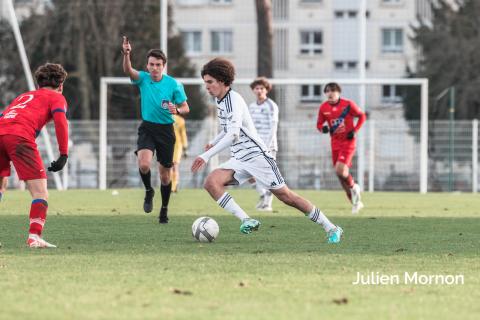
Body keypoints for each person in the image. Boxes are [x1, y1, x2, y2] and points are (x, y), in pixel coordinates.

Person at [191, 58, 343, 243]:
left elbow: (233, 135)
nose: (206, 87)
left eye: (210, 82)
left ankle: (332, 227)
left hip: (257, 156)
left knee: (286, 197)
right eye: (205, 82)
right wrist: (213, 142)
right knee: (211, 182)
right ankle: (247, 219)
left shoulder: (234, 100)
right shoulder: (220, 100)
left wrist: (206, 156)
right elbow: (227, 127)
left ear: (222, 81)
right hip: (239, 157)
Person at [0, 62, 69, 248]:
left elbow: (4, 116)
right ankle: (34, 237)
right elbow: (61, 122)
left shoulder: (23, 96)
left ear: (38, 84)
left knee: (1, 183)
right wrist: (63, 154)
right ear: (61, 85)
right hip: (19, 137)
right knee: (40, 192)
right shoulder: (56, 97)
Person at [122, 36, 190, 223]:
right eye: (151, 64)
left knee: (165, 175)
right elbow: (128, 70)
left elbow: (186, 108)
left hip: (166, 131)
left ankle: (164, 209)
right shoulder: (143, 79)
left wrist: (177, 110)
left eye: (158, 65)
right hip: (147, 128)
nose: (154, 68)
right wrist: (127, 54)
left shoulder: (174, 84)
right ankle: (148, 191)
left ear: (163, 66)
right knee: (143, 164)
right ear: (147, 65)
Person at [316, 82, 366, 214]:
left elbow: (362, 116)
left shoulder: (348, 104)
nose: (330, 93)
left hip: (348, 143)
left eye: (332, 90)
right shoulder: (323, 107)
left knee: (340, 170)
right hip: (335, 144)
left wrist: (355, 130)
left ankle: (354, 186)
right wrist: (323, 128)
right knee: (340, 176)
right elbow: (319, 124)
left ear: (338, 92)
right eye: (327, 91)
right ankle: (355, 202)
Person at [248, 77, 279, 211]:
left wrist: (266, 144)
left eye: (262, 88)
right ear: (253, 90)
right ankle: (262, 195)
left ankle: (268, 203)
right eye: (257, 88)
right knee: (249, 173)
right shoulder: (251, 106)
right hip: (253, 145)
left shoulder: (271, 105)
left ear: (266, 90)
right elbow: (249, 125)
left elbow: (274, 126)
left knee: (267, 174)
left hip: (268, 145)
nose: (259, 90)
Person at [172, 114, 188, 193]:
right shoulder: (164, 118)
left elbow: (183, 134)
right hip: (167, 145)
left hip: (177, 146)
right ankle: (170, 185)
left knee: (174, 165)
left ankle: (174, 186)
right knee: (169, 167)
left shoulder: (180, 120)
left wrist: (185, 147)